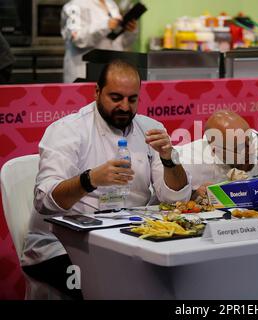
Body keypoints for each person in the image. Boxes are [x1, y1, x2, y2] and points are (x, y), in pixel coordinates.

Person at [21, 60, 191, 299]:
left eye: (132, 99)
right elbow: (45, 201)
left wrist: (169, 159)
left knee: (180, 276)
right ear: (97, 92)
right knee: (113, 288)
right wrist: (89, 179)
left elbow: (176, 198)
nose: (124, 107)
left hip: (131, 237)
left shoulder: (150, 129)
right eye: (116, 97)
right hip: (63, 246)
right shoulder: (67, 131)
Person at [177, 110, 258, 199]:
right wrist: (193, 195)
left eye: (249, 141)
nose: (250, 151)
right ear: (215, 150)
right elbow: (166, 199)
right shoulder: (190, 159)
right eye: (239, 148)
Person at [61, 0, 138, 83]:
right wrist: (105, 26)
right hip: (83, 73)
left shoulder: (111, 4)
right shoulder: (74, 5)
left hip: (112, 73)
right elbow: (77, 39)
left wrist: (129, 31)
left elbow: (123, 43)